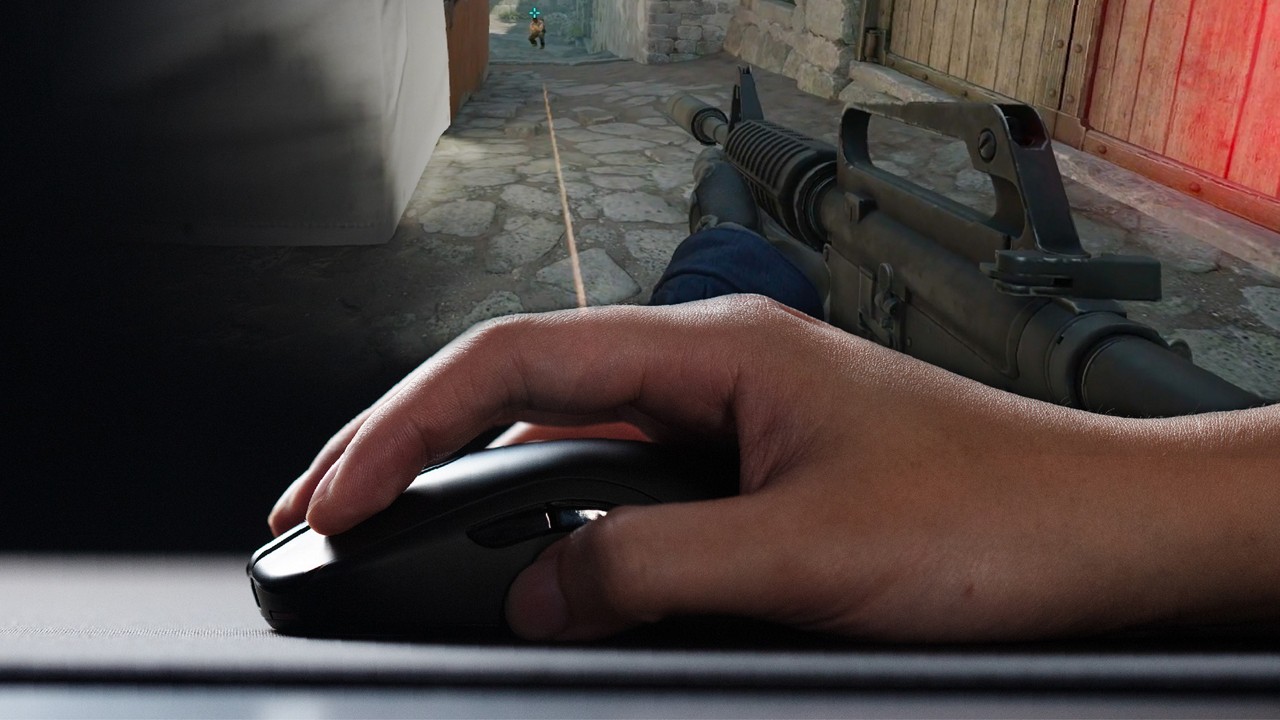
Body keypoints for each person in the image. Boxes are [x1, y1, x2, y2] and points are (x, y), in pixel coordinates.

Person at [267, 154, 1280, 644]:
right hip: (738, 371)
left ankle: (729, 218)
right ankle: (733, 218)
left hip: (733, 355)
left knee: (712, 288)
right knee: (724, 305)